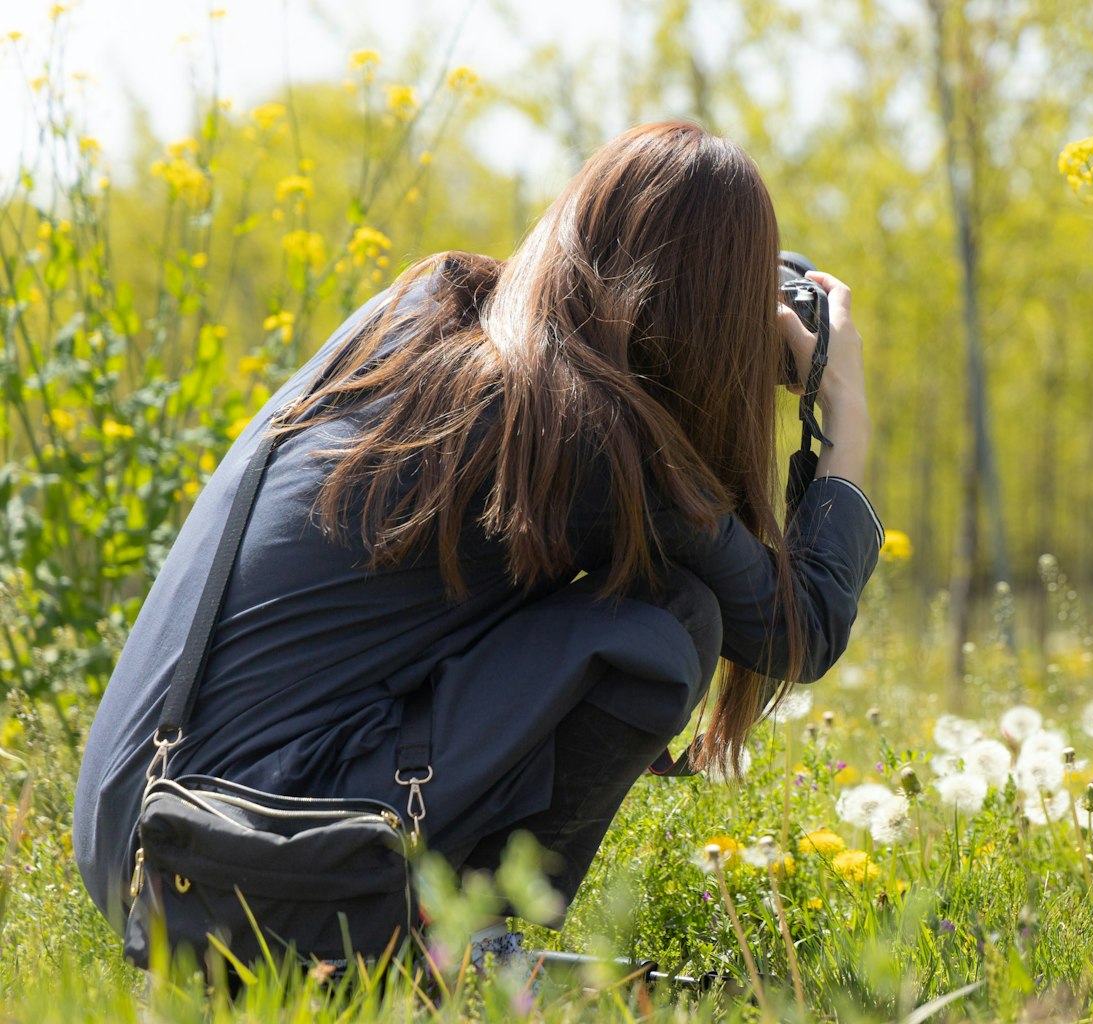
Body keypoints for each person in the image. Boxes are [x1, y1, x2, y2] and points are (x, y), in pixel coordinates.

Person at [72, 120, 883, 962]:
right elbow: (802, 630)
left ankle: (425, 927)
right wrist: (847, 424)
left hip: (137, 824)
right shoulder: (587, 432)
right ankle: (448, 951)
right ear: (698, 315)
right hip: (239, 862)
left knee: (652, 602)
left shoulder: (426, 310)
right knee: (670, 627)